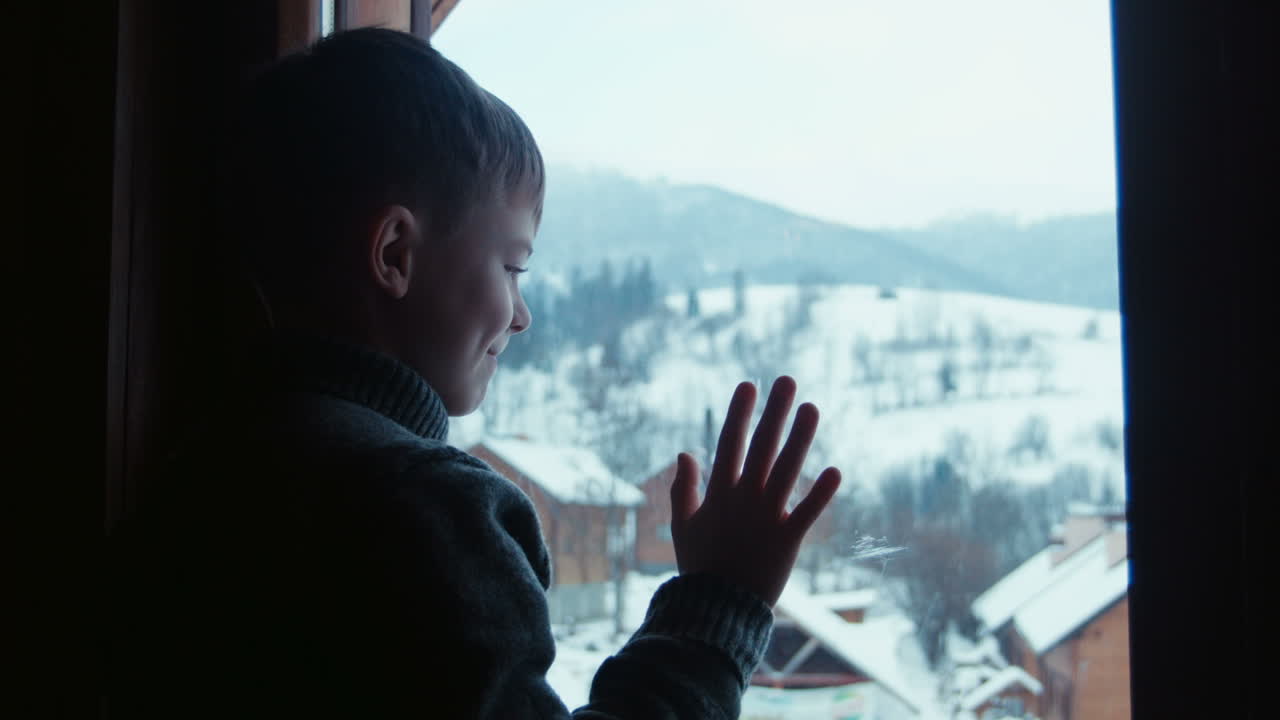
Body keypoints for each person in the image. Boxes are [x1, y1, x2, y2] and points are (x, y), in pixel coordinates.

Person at [106, 28, 841, 719]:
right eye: (513, 268)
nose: (521, 316)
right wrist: (718, 606)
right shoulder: (425, 508)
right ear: (394, 254)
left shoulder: (202, 465)